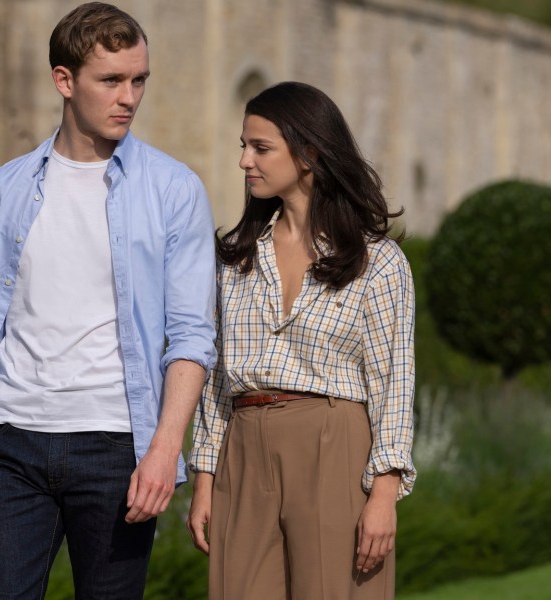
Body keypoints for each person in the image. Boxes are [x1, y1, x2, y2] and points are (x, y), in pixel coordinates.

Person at [0, 3, 216, 598]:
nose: (130, 97)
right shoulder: (4, 189)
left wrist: (166, 448)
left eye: (139, 79)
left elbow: (193, 335)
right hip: (10, 442)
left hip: (115, 448)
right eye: (111, 80)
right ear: (64, 81)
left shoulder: (174, 191)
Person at [187, 81, 417, 599]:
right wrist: (204, 477)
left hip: (332, 444)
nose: (245, 160)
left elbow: (394, 383)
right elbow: (215, 378)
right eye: (243, 146)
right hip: (242, 448)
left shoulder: (376, 263)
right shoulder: (236, 258)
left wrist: (384, 495)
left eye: (260, 148)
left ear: (310, 153)